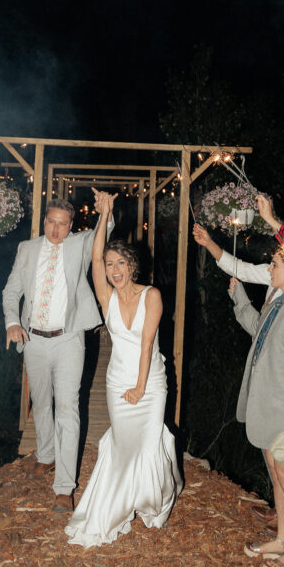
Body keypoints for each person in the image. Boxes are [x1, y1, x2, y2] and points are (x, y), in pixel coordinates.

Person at [65, 191, 181, 547]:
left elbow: (147, 345)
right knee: (122, 444)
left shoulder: (152, 296)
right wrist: (105, 215)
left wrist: (142, 388)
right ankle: (116, 505)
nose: (113, 270)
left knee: (147, 445)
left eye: (121, 264)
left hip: (150, 383)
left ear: (133, 267)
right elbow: (95, 259)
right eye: (111, 264)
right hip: (117, 381)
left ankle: (151, 502)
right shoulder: (107, 298)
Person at [3, 195, 113, 512]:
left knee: (67, 408)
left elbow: (102, 235)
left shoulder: (79, 244)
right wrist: (12, 322)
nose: (56, 228)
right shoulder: (27, 249)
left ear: (70, 226)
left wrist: (107, 211)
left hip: (68, 339)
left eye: (63, 223)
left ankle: (64, 487)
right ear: (45, 221)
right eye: (51, 221)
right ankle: (46, 456)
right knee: (40, 403)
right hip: (33, 339)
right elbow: (11, 291)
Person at [228, 248, 284, 567]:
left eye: (274, 265)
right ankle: (283, 538)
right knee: (277, 476)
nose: (269, 269)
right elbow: (256, 328)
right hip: (267, 406)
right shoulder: (278, 303)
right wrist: (240, 298)